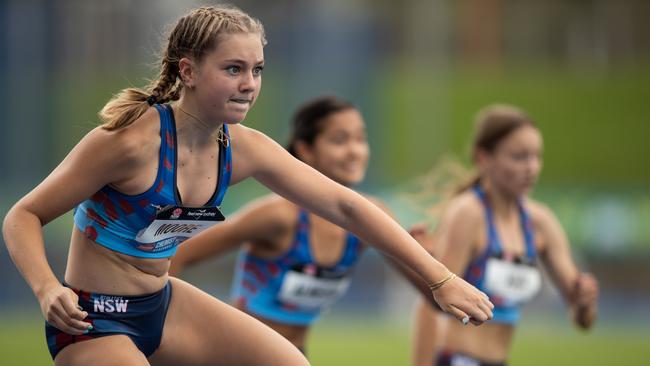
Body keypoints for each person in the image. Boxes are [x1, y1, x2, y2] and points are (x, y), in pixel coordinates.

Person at [2, 5, 493, 366]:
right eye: (233, 69)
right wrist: (47, 290)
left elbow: (346, 206)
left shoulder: (243, 147)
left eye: (256, 70)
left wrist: (441, 278)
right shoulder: (128, 143)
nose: (250, 83)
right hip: (94, 320)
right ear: (188, 72)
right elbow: (23, 215)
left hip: (162, 304)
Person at [170, 95, 441, 353]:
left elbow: (438, 298)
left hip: (296, 354)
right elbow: (178, 255)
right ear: (305, 150)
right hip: (238, 354)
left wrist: (430, 257)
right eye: (339, 140)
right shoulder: (278, 216)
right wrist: (173, 327)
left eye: (361, 139)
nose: (354, 151)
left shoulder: (371, 217)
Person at [410, 104, 599, 366]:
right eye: (519, 157)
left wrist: (585, 301)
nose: (531, 167)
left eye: (536, 157)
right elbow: (432, 305)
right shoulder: (468, 214)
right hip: (459, 359)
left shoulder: (540, 223)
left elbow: (583, 321)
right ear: (483, 158)